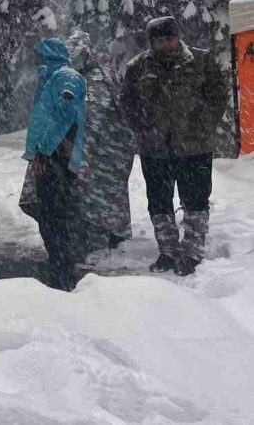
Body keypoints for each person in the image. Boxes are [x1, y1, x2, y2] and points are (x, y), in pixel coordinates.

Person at [121, 16, 229, 276]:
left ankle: (192, 252)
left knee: (196, 199)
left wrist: (201, 125)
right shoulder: (137, 67)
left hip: (195, 147)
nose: (166, 44)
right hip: (155, 148)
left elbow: (218, 96)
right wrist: (145, 127)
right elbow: (128, 103)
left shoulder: (201, 61)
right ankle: (167, 251)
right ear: (152, 42)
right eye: (159, 40)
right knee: (158, 202)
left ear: (178, 37)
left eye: (170, 38)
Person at [23, 38, 86, 291]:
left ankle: (62, 270)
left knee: (54, 213)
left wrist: (44, 151)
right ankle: (58, 264)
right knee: (49, 212)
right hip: (50, 155)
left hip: (57, 156)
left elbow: (65, 114)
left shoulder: (66, 76)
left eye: (38, 54)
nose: (34, 60)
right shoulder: (51, 78)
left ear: (48, 54)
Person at [68, 32, 135, 257]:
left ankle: (112, 233)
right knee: (82, 193)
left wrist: (122, 141)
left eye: (78, 57)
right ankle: (87, 238)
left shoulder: (107, 77)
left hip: (107, 148)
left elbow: (124, 111)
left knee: (108, 192)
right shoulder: (67, 78)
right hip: (79, 150)